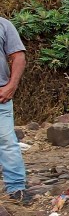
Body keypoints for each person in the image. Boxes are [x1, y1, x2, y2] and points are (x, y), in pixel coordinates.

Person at [0, 17, 29, 204]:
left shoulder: (3, 25)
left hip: (0, 95)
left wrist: (12, 85)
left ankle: (16, 189)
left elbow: (19, 56)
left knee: (7, 142)